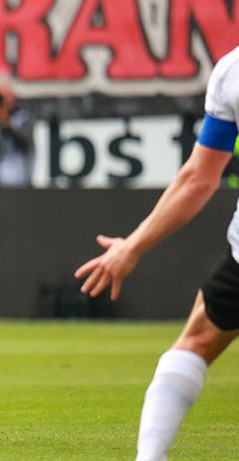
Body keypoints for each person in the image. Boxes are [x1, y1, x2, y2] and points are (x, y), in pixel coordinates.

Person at [74, 45, 239, 461]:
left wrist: (133, 247)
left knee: (196, 342)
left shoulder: (231, 72)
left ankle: (150, 457)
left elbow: (198, 179)